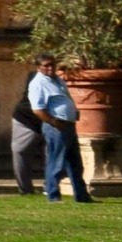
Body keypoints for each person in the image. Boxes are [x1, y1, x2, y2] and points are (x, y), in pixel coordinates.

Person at [27, 55, 91, 204]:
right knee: (56, 162)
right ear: (39, 67)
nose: (50, 68)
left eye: (52, 65)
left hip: (68, 124)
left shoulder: (57, 80)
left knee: (75, 162)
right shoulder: (38, 83)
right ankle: (53, 195)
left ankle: (81, 196)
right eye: (46, 66)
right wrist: (53, 122)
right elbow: (37, 109)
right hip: (56, 126)